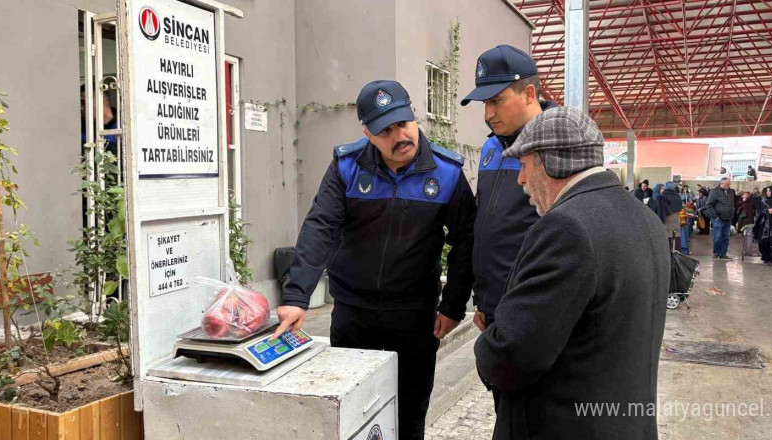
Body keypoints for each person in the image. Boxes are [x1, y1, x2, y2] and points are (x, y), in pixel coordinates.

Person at [273, 80, 476, 440]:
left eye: (404, 123)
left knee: (410, 412)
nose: (400, 136)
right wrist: (296, 296)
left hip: (414, 318)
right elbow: (321, 226)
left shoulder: (445, 173)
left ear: (413, 115)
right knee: (352, 413)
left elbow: (466, 240)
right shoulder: (347, 168)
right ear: (367, 133)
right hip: (354, 314)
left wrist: (453, 305)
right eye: (385, 131)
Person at [474, 107, 669, 439]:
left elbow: (513, 353)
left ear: (548, 162)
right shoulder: (643, 217)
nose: (520, 180)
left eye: (523, 165)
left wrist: (486, 345)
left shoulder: (567, 227)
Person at [459, 44, 558, 412]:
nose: (488, 114)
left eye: (497, 101)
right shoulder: (490, 148)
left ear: (529, 93)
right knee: (510, 413)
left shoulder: (557, 145)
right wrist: (484, 301)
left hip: (534, 309)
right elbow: (490, 226)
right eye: (484, 104)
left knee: (537, 413)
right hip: (497, 308)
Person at [704, 177, 736, 259]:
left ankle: (723, 253)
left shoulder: (731, 191)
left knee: (726, 237)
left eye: (729, 184)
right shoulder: (714, 192)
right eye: (727, 184)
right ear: (722, 184)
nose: (729, 186)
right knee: (718, 237)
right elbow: (709, 205)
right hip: (718, 219)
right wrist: (715, 216)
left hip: (728, 218)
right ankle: (716, 252)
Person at [655, 182, 682, 250]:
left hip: (666, 218)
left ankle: (668, 254)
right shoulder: (677, 196)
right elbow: (680, 207)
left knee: (667, 236)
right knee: (676, 235)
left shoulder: (661, 197)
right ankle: (677, 252)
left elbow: (659, 210)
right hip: (676, 218)